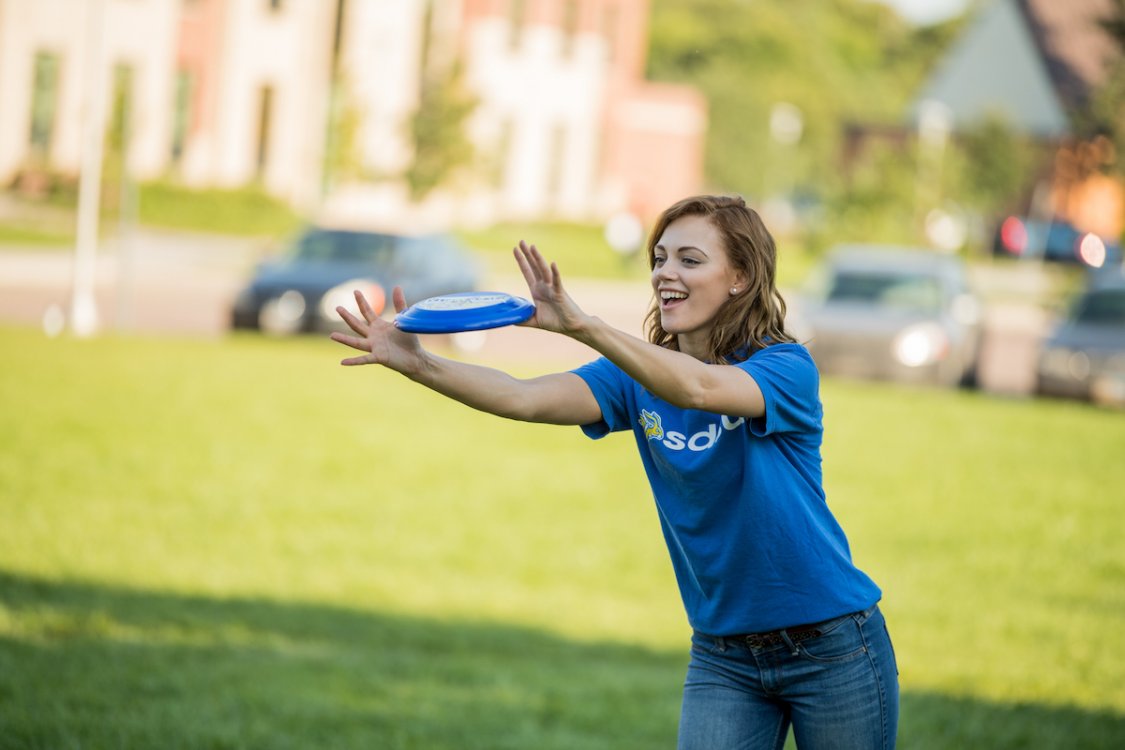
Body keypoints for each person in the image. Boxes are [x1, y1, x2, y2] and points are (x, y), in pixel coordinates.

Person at [330, 194, 899, 749]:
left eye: (689, 260)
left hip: (833, 647)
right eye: (659, 258)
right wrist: (419, 364)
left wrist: (584, 325)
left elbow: (699, 387)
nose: (664, 273)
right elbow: (523, 397)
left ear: (741, 278)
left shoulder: (784, 368)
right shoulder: (633, 380)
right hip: (725, 654)